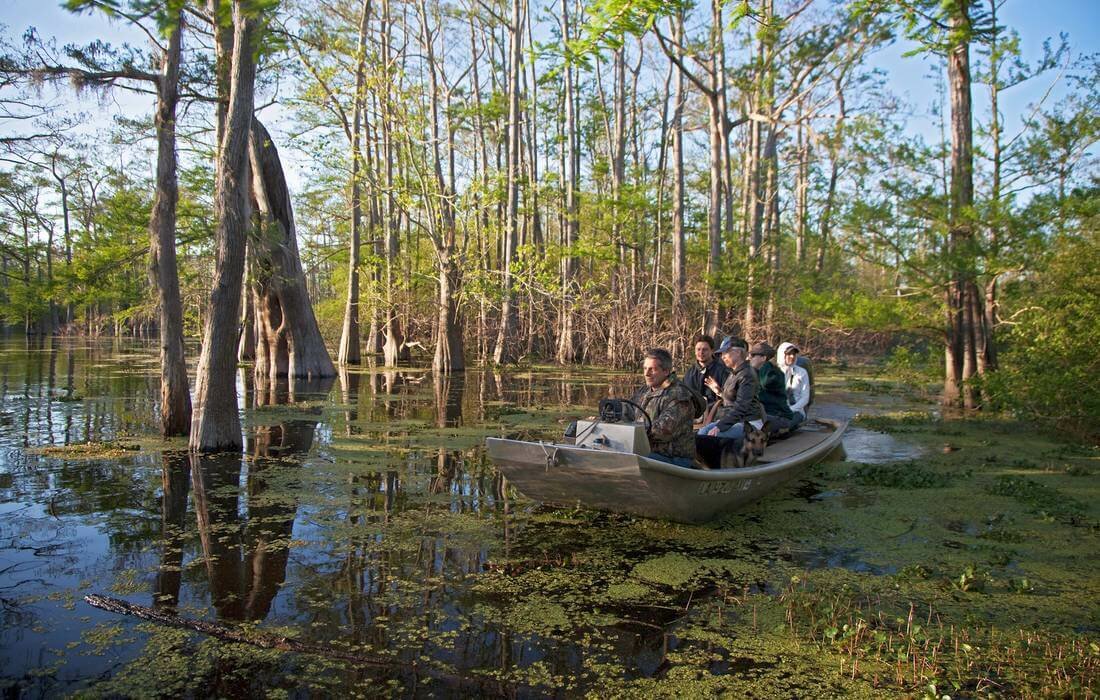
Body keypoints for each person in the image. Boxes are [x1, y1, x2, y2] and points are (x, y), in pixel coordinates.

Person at [623, 348, 705, 467]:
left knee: (630, 459)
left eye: (652, 369)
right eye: (645, 368)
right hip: (650, 454)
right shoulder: (644, 391)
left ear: (666, 371)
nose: (646, 373)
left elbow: (663, 431)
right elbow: (627, 411)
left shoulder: (679, 395)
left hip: (674, 459)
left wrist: (631, 431)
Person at [697, 337, 764, 442]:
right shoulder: (734, 373)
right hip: (734, 421)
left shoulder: (747, 375)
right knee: (701, 433)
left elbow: (741, 407)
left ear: (737, 352)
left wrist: (720, 426)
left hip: (748, 423)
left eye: (725, 353)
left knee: (710, 436)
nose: (722, 357)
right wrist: (719, 392)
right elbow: (732, 399)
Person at [749, 341, 798, 434]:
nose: (750, 358)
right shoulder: (755, 371)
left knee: (749, 421)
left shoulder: (773, 373)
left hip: (780, 417)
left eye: (753, 355)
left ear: (763, 358)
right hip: (766, 415)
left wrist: (755, 369)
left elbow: (765, 383)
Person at [682, 333, 731, 418]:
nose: (701, 353)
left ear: (712, 351)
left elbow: (731, 399)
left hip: (717, 416)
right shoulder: (689, 374)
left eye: (705, 349)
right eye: (698, 349)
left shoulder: (722, 371)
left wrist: (719, 391)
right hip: (694, 416)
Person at [776, 342, 810, 428]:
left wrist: (791, 409)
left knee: (785, 423)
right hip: (777, 410)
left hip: (796, 411)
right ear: (782, 355)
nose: (792, 356)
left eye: (794, 354)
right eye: (789, 354)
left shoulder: (802, 372)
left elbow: (805, 398)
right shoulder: (774, 372)